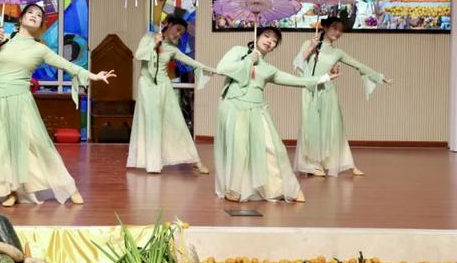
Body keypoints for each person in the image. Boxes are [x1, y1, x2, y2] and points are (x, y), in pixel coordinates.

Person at [0, 3, 115, 207]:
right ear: (21, 19)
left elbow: (67, 65)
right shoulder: (4, 39)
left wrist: (93, 75)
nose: (34, 16)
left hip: (20, 99)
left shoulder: (40, 49)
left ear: (41, 25)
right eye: (30, 12)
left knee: (38, 144)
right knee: (1, 148)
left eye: (38, 15)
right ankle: (11, 191)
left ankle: (69, 187)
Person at [214, 27, 341, 203]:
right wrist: (249, 60)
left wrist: (325, 77)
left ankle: (285, 189)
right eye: (267, 36)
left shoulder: (268, 69)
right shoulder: (239, 51)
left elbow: (296, 80)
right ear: (257, 36)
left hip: (257, 109)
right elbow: (221, 68)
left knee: (274, 149)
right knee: (239, 150)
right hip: (234, 106)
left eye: (274, 41)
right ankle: (234, 190)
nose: (269, 41)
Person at [293, 17, 392, 177]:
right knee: (311, 128)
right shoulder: (309, 43)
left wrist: (379, 77)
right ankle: (312, 165)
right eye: (334, 28)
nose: (338, 32)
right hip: (310, 90)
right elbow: (297, 63)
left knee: (333, 128)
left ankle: (345, 163)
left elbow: (358, 65)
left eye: (341, 30)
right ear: (325, 27)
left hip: (328, 91)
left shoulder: (337, 52)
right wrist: (311, 47)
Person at [127, 16, 215, 174]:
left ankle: (195, 160)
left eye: (182, 33)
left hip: (164, 87)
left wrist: (209, 68)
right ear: (168, 24)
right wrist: (154, 43)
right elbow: (139, 55)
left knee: (177, 122)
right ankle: (153, 163)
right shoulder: (148, 37)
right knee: (151, 124)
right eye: (178, 29)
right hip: (146, 86)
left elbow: (189, 61)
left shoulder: (172, 49)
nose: (178, 34)